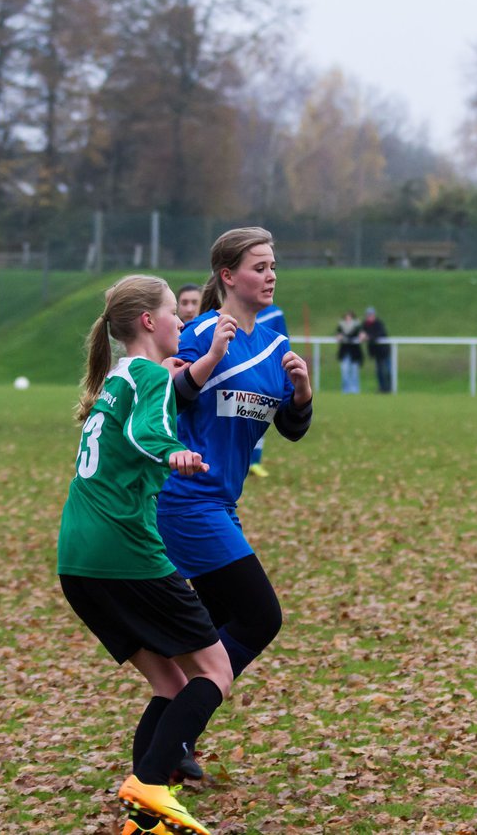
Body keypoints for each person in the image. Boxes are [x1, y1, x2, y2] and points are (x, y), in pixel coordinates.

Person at [57, 274, 236, 835]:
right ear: (149, 323)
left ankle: (143, 815)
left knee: (171, 685)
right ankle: (150, 785)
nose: (183, 320)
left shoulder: (118, 376)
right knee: (215, 669)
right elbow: (144, 434)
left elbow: (135, 427)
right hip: (122, 552)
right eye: (173, 312)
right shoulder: (150, 375)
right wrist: (173, 452)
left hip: (78, 557)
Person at [156, 227, 313, 780]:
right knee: (259, 617)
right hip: (185, 501)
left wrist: (301, 396)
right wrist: (210, 356)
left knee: (212, 635)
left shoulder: (273, 341)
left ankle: (163, 743)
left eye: (274, 266)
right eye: (259, 267)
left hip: (221, 504)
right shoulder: (201, 332)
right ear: (228, 276)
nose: (271, 276)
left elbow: (288, 429)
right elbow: (166, 400)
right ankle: (168, 741)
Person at [247, 301, 288, 478]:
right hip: (240, 373)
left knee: (260, 416)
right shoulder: (236, 311)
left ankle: (255, 462)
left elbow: (282, 343)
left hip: (264, 375)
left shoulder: (275, 314)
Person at [361, 306, 391, 394]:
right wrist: (362, 335)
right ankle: (382, 388)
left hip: (384, 351)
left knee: (388, 371)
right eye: (368, 315)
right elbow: (361, 333)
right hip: (376, 352)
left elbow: (380, 334)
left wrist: (368, 336)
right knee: (379, 371)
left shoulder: (379, 323)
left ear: (374, 315)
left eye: (371, 315)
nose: (370, 316)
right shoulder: (365, 325)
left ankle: (389, 388)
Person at [335, 309, 363, 393]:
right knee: (345, 372)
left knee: (354, 373)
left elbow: (361, 335)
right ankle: (345, 390)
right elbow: (338, 335)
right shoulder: (341, 326)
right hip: (344, 353)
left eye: (349, 317)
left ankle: (355, 390)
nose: (348, 319)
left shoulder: (357, 326)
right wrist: (339, 337)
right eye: (347, 317)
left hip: (355, 353)